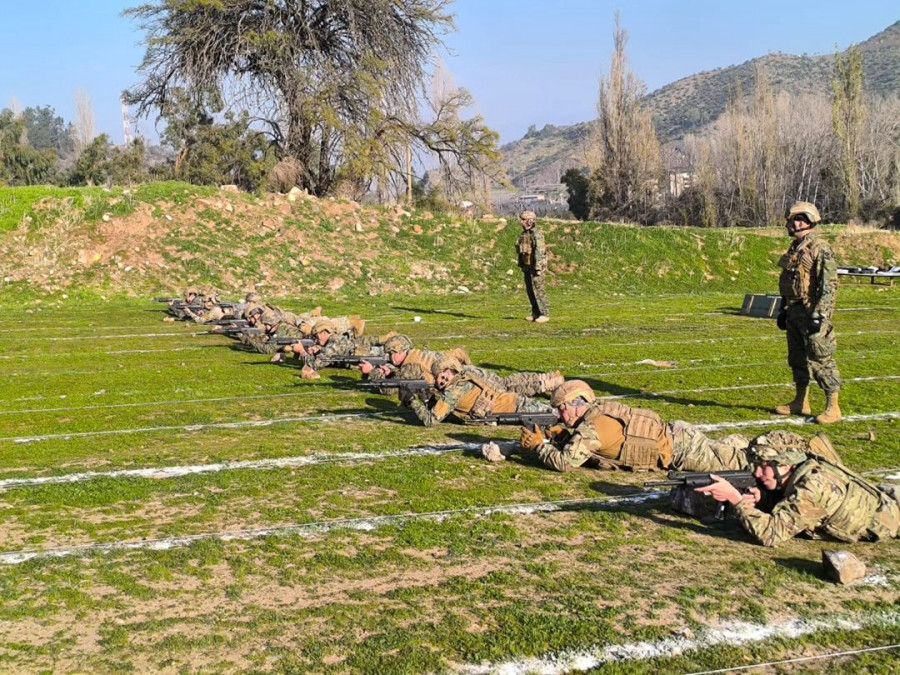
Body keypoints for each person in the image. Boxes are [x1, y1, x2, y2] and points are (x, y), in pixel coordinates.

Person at [696, 434, 900, 547]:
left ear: (785, 465)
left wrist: (736, 499)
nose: (757, 473)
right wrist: (763, 499)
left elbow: (771, 534)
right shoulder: (805, 473)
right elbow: (790, 506)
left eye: (763, 465)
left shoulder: (813, 487)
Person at [513, 380, 759, 472]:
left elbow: (565, 463)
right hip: (679, 436)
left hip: (682, 450)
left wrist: (540, 447)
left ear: (578, 404)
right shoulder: (598, 412)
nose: (559, 414)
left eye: (562, 408)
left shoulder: (591, 429)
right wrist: (562, 439)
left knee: (748, 464)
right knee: (734, 452)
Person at [775, 201, 842, 424]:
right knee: (797, 359)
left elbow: (829, 285)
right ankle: (801, 401)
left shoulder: (820, 248)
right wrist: (783, 309)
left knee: (821, 360)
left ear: (805, 221)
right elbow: (789, 280)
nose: (789, 224)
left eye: (793, 220)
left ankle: (833, 407)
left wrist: (819, 315)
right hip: (794, 311)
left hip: (811, 312)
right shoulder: (795, 248)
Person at [408, 356, 559, 426]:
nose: (442, 380)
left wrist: (412, 401)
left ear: (451, 369)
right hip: (513, 404)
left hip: (516, 406)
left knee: (557, 416)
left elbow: (430, 420)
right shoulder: (465, 377)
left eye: (443, 375)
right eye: (439, 379)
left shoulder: (455, 390)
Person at [359, 334, 471, 386]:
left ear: (400, 351)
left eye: (391, 353)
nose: (389, 357)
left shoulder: (410, 366)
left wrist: (370, 371)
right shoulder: (416, 354)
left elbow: (388, 389)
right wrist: (391, 373)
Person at [517, 210, 549, 323]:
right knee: (530, 291)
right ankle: (535, 313)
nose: (521, 222)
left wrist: (538, 267)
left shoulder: (537, 234)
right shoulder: (524, 234)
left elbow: (539, 251)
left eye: (523, 220)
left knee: (539, 290)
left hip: (536, 267)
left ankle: (544, 314)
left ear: (530, 221)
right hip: (527, 267)